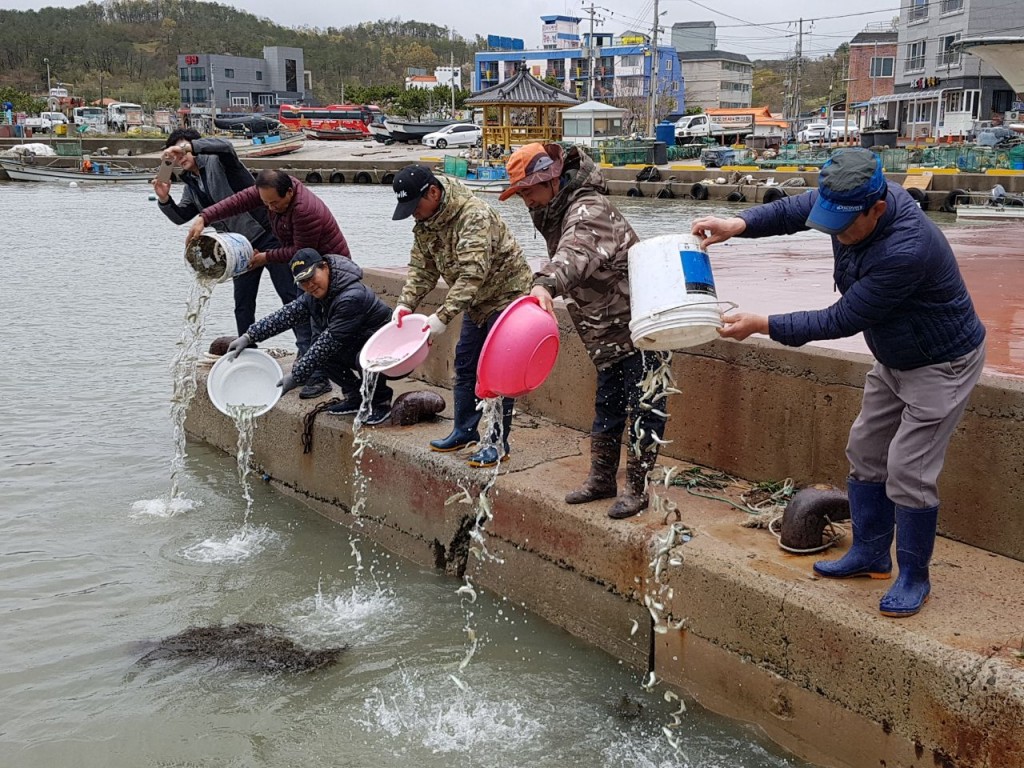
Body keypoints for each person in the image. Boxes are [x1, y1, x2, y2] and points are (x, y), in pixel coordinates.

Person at [691, 148, 986, 618]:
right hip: (894, 355)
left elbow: (842, 318)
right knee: (866, 450)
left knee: (909, 469)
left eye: (846, 227)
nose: (839, 236)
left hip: (941, 362)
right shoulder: (844, 199)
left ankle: (914, 576)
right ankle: (870, 555)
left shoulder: (906, 249)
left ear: (879, 209)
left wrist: (762, 323)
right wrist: (739, 225)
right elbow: (791, 209)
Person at [500, 142, 668, 519]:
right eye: (519, 193)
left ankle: (638, 488)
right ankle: (602, 478)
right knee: (607, 404)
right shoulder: (553, 209)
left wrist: (544, 284)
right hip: (605, 330)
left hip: (642, 326)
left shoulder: (589, 209)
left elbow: (574, 254)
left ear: (551, 179)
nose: (525, 200)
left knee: (646, 406)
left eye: (528, 190)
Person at [153, 130, 326, 399]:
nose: (179, 158)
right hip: (239, 249)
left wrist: (190, 146)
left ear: (193, 148)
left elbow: (225, 146)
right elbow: (182, 216)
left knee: (291, 300)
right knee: (243, 304)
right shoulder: (190, 182)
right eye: (173, 155)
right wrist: (165, 199)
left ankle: (310, 363)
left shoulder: (218, 160)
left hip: (269, 238)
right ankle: (249, 358)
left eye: (182, 152)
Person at [390, 165, 532, 468]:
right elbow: (422, 269)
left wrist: (442, 316)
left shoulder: (473, 215)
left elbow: (472, 275)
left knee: (498, 373)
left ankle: (496, 442)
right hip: (475, 303)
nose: (414, 213)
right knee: (465, 365)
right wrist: (405, 304)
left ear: (433, 191)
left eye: (415, 206)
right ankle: (464, 431)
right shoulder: (427, 221)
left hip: (507, 297)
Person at [226, 248, 394, 426]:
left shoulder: (351, 297)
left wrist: (296, 376)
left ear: (325, 267)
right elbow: (286, 315)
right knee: (321, 353)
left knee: (340, 353)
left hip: (388, 349)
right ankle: (355, 395)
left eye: (311, 277)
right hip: (357, 342)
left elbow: (328, 342)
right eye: (303, 282)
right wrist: (249, 336)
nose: (309, 285)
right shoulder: (315, 295)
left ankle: (380, 401)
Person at [187, 168, 350, 273]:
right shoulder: (269, 189)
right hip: (309, 266)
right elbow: (237, 202)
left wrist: (266, 257)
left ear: (289, 192)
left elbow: (300, 250)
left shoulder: (304, 210)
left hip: (332, 266)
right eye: (265, 203)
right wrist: (204, 217)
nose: (270, 208)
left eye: (274, 203)